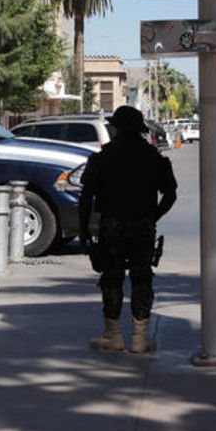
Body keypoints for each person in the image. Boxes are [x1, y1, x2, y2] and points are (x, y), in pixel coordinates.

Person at [78, 105, 177, 354]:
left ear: (117, 129)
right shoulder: (153, 157)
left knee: (112, 278)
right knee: (141, 277)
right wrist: (153, 216)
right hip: (143, 226)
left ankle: (113, 336)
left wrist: (84, 229)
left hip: (111, 225)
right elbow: (170, 195)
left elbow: (85, 197)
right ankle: (139, 339)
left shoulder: (102, 157)